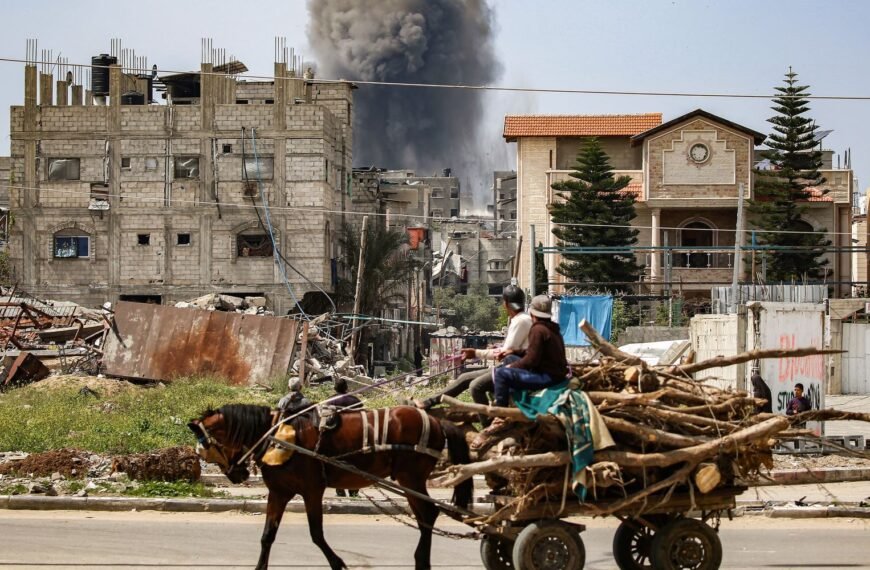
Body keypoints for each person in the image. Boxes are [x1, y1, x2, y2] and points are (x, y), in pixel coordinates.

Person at [414, 285, 532, 414]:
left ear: (506, 304)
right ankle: (429, 401)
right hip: (513, 367)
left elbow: (503, 353)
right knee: (465, 378)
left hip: (513, 370)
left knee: (475, 385)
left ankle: (490, 421)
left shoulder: (520, 321)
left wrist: (475, 353)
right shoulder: (523, 319)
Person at [472, 295, 568, 448]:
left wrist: (512, 367)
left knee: (502, 374)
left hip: (546, 377)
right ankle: (510, 403)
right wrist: (512, 352)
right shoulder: (553, 329)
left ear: (532, 314)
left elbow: (532, 360)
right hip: (556, 375)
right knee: (510, 360)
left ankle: (500, 417)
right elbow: (532, 352)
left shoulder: (537, 330)